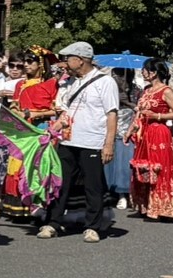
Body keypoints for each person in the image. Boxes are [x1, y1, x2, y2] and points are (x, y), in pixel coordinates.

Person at [39, 41, 117, 242]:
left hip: (92, 141)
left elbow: (111, 114)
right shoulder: (70, 82)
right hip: (68, 140)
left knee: (93, 186)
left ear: (80, 60)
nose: (65, 63)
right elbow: (66, 111)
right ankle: (53, 222)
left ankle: (93, 226)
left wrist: (108, 144)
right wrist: (53, 129)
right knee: (60, 183)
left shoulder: (105, 82)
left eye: (68, 59)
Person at [126, 58, 173, 220]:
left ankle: (162, 207)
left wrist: (157, 115)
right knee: (143, 168)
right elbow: (139, 113)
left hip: (159, 133)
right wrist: (130, 130)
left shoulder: (166, 91)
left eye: (145, 70)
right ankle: (145, 204)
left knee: (158, 168)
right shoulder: (146, 90)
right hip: (144, 133)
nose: (143, 72)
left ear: (153, 72)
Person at [10, 51, 59, 125]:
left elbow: (56, 110)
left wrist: (36, 114)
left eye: (29, 61)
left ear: (40, 63)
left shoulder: (52, 83)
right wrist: (19, 113)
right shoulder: (20, 84)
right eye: (24, 61)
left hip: (42, 125)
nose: (25, 64)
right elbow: (13, 106)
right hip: (22, 123)